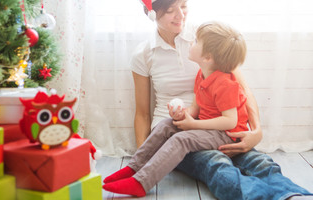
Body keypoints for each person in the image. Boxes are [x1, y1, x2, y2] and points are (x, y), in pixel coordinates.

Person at [105, 0, 312, 200]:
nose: (181, 15)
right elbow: (142, 114)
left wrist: (256, 131)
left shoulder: (206, 40)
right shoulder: (143, 54)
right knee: (215, 163)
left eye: (184, 6)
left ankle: (292, 195)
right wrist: (146, 159)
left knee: (258, 160)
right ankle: (135, 175)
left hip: (218, 126)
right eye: (172, 10)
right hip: (175, 132)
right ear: (152, 12)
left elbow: (241, 88)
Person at [103, 21, 250, 197]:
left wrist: (192, 126)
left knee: (182, 139)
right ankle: (133, 167)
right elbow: (196, 108)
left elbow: (230, 121)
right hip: (210, 127)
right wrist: (183, 114)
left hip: (228, 134)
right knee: (166, 124)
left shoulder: (226, 84)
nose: (190, 43)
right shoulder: (202, 74)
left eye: (196, 42)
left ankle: (141, 183)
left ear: (208, 57)